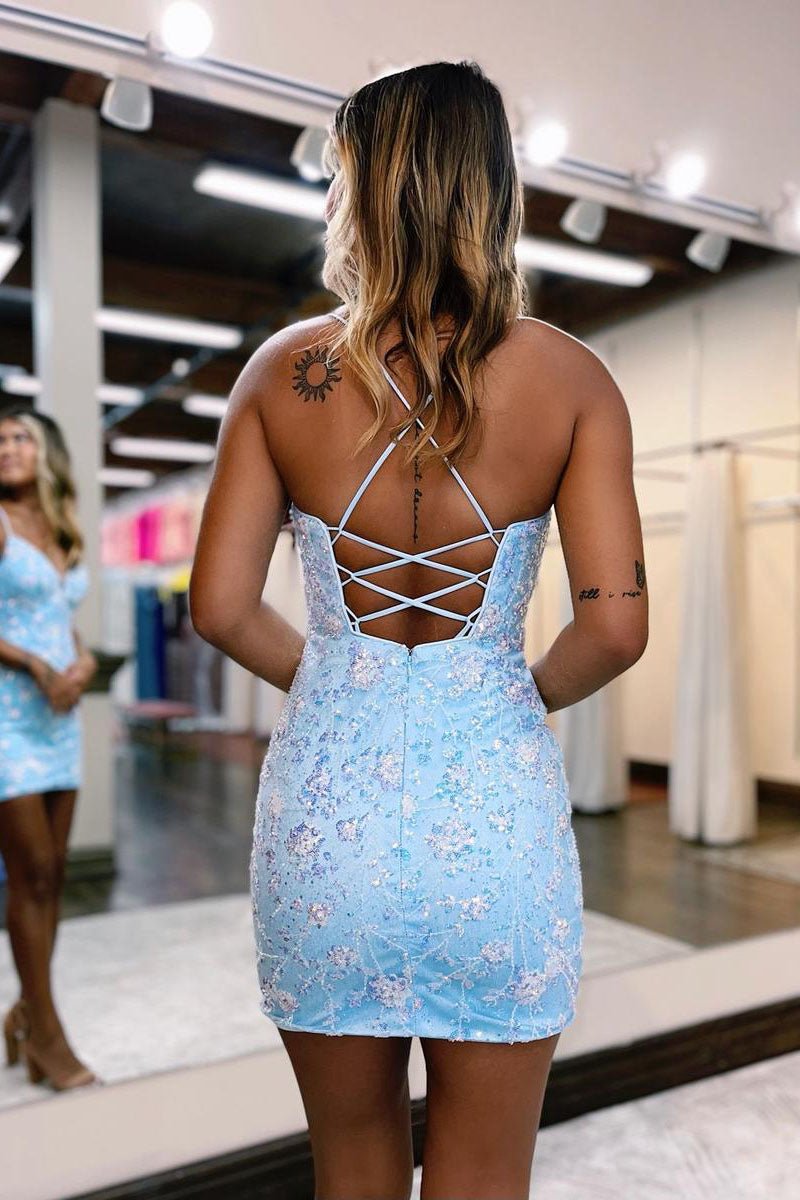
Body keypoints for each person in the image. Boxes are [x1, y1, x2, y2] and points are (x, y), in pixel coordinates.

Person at [190, 59, 647, 1200]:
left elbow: (222, 607)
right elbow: (614, 629)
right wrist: (512, 691)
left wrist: (338, 678)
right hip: (494, 825)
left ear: (364, 191)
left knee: (350, 1170)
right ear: (489, 189)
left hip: (326, 829)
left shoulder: (280, 374)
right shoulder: (573, 380)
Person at [0, 403, 98, 1091]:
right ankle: (47, 1037)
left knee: (54, 873)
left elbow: (59, 618)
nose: (7, 447)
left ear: (44, 452)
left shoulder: (62, 525)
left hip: (61, 718)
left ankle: (23, 1014)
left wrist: (81, 662)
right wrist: (37, 666)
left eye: (19, 437)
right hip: (8, 717)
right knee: (30, 870)